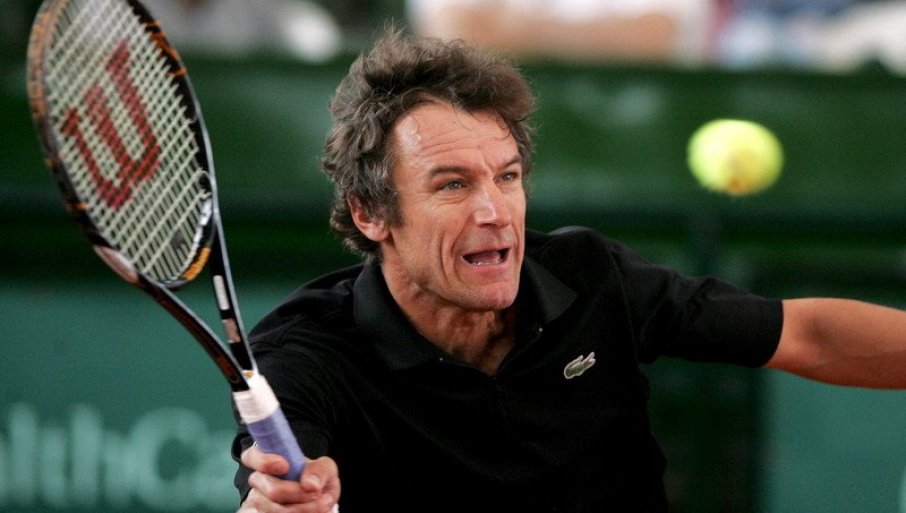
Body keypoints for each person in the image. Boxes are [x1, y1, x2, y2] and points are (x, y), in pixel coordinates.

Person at [231, 25, 906, 513]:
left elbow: (804, 334)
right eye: (453, 185)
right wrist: (283, 500)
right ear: (371, 213)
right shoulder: (305, 350)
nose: (495, 211)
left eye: (508, 176)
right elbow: (275, 480)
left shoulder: (589, 276)